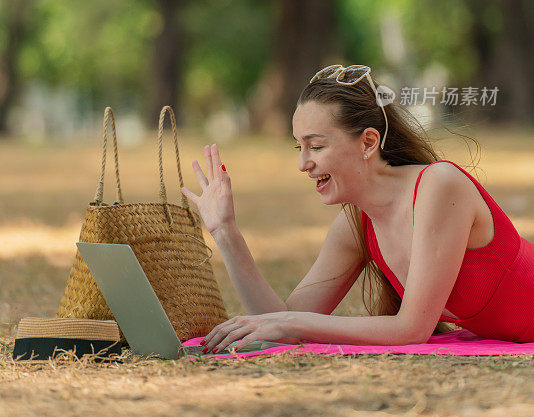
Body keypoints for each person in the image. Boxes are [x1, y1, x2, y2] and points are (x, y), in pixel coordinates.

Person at [181, 64, 534, 352]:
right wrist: (225, 231)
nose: (303, 163)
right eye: (298, 148)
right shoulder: (356, 225)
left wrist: (291, 323)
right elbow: (281, 323)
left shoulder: (440, 185)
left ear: (368, 142)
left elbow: (411, 328)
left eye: (316, 146)